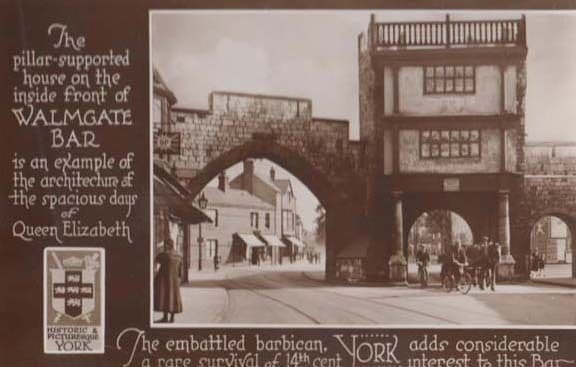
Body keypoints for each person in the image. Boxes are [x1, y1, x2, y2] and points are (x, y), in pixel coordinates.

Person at [154, 238, 183, 323]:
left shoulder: (165, 255)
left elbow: (156, 259)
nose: (164, 247)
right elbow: (181, 271)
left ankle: (165, 317)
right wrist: (179, 280)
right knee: (173, 298)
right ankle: (172, 318)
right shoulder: (179, 255)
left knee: (165, 297)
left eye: (165, 245)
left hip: (165, 280)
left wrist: (159, 247)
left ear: (167, 245)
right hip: (175, 281)